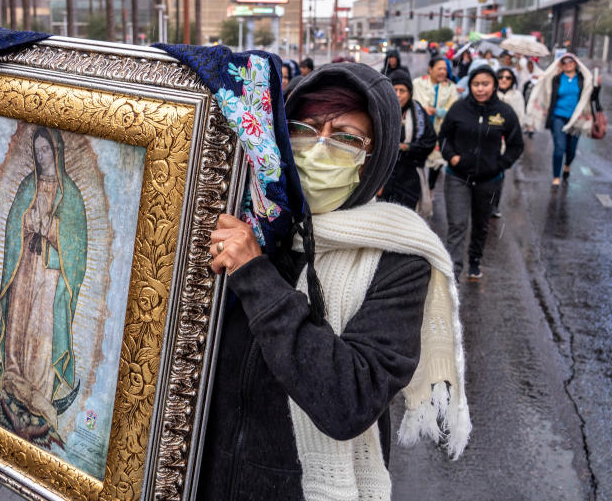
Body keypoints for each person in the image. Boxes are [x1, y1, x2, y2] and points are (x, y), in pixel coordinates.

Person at [199, 62, 469, 500]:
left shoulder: (398, 260)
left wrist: (256, 277)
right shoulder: (254, 226)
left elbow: (350, 399)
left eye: (345, 137)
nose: (319, 147)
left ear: (374, 157)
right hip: (199, 477)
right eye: (303, 129)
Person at [0, 127, 87, 436]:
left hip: (50, 274)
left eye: (46, 150)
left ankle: (39, 391)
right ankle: (14, 379)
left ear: (56, 152)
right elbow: (11, 229)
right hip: (25, 268)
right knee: (19, 324)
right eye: (38, 151)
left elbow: (77, 245)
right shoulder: (26, 187)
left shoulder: (69, 193)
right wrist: (25, 223)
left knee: (42, 327)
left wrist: (52, 228)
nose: (42, 156)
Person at [439, 60, 524, 280]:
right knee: (457, 224)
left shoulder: (504, 112)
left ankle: (475, 259)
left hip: (489, 179)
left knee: (481, 224)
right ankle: (453, 270)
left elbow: (516, 144)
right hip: (457, 176)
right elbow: (444, 137)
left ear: (494, 85)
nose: (480, 88)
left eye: (485, 84)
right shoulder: (459, 108)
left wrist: (500, 164)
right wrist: (452, 157)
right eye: (476, 84)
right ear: (470, 85)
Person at [526, 53, 599, 187]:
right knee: (559, 147)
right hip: (558, 117)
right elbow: (545, 85)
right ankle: (556, 177)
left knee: (571, 150)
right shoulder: (556, 79)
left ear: (576, 63)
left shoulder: (582, 79)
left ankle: (567, 166)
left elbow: (591, 97)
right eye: (564, 62)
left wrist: (597, 86)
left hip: (576, 120)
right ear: (560, 64)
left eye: (570, 61)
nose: (568, 64)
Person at [380, 68, 436, 210]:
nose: (398, 95)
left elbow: (429, 141)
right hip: (385, 175)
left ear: (410, 92)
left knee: (406, 216)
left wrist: (408, 147)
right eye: (395, 90)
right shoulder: (381, 111)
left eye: (402, 91)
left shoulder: (418, 113)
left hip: (410, 176)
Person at [413, 57, 459, 190]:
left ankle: (430, 192)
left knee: (436, 164)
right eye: (439, 68)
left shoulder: (450, 87)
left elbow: (454, 111)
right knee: (418, 164)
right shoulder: (418, 83)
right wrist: (422, 110)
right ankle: (419, 193)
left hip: (440, 133)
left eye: (445, 69)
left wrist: (437, 111)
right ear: (430, 69)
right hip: (420, 132)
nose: (443, 72)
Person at [491, 66, 526, 218]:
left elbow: (520, 117)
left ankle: (494, 204)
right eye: (501, 77)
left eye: (508, 77)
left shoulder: (517, 96)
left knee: (499, 171)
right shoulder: (490, 94)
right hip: (490, 137)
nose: (504, 80)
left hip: (506, 138)